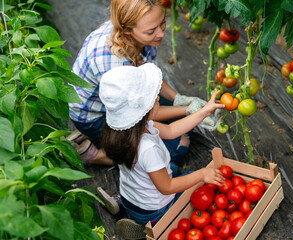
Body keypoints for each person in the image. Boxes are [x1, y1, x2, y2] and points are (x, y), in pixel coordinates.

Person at [66, 0, 218, 168]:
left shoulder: (142, 35)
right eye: (151, 31)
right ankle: (96, 155)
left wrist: (180, 99)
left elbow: (150, 71)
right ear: (127, 30)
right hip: (98, 116)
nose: (160, 34)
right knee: (177, 148)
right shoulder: (114, 63)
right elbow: (138, 114)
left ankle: (97, 142)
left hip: (128, 100)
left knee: (187, 122)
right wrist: (190, 108)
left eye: (162, 23)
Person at [99, 63, 225, 239]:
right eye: (153, 98)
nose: (158, 97)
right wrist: (202, 174)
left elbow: (172, 130)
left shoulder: (127, 130)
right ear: (142, 110)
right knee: (199, 187)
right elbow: (167, 187)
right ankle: (153, 227)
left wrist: (203, 112)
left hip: (132, 197)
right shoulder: (147, 148)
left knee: (172, 169)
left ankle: (124, 206)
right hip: (154, 209)